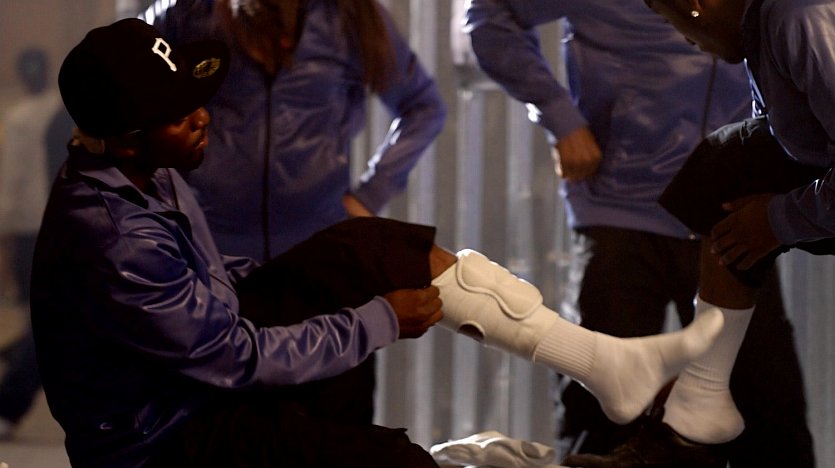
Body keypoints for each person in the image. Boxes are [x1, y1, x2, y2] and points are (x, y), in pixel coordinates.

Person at [33, 18, 726, 467]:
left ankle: (602, 363)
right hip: (168, 435)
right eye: (177, 115)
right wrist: (378, 319)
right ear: (128, 137)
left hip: (205, 359)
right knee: (382, 458)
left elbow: (205, 288)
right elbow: (234, 358)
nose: (203, 116)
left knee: (368, 248)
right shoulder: (114, 238)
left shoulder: (150, 171)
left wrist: (345, 251)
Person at [464, 1, 814, 466]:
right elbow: (491, 14)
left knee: (767, 407)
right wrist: (560, 118)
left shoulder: (797, 22)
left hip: (732, 204)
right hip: (621, 204)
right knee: (601, 409)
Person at [143, 0, 447, 425]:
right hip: (216, 264)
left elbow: (423, 107)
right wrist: (165, 206)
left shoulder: (351, 16)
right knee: (229, 428)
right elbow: (132, 95)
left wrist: (370, 195)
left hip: (322, 262)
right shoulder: (188, 13)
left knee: (334, 427)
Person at [563, 0, 835, 466]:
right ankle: (698, 407)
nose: (687, 42)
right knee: (724, 167)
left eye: (668, 20)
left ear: (694, 5)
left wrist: (777, 220)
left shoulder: (799, 16)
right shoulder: (760, 27)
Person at [0, 47, 66, 439]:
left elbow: (12, 179)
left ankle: (14, 362)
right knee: (47, 320)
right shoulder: (59, 112)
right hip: (51, 225)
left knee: (43, 318)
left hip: (34, 226)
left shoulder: (25, 116)